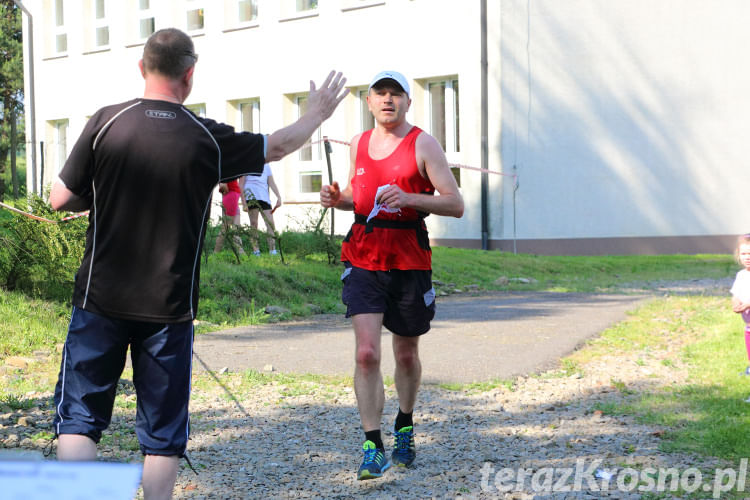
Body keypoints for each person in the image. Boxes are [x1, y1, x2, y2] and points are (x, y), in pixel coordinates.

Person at [48, 28, 347, 500]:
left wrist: (101, 193)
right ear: (190, 75)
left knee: (80, 422)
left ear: (142, 67)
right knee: (162, 436)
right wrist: (316, 113)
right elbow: (278, 146)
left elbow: (59, 198)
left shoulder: (106, 122)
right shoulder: (204, 136)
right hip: (168, 309)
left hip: (98, 300)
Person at [319, 70, 464, 480]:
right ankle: (372, 445)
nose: (387, 100)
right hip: (363, 257)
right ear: (369, 103)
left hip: (409, 260)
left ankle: (404, 422)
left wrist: (412, 198)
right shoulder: (359, 144)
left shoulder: (424, 144)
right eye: (380, 93)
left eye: (395, 94)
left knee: (405, 353)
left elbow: (455, 203)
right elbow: (358, 197)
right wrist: (338, 198)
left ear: (407, 102)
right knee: (366, 353)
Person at [241, 163, 281, 256]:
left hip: (264, 196)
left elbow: (271, 182)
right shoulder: (246, 163)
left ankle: (272, 250)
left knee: (270, 223)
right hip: (251, 194)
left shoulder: (266, 165)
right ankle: (256, 251)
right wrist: (243, 203)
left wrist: (278, 197)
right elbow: (241, 184)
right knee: (254, 224)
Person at [731, 234, 750, 391]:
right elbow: (735, 294)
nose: (747, 257)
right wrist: (736, 303)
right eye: (744, 254)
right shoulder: (741, 276)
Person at [214, 178, 245, 254]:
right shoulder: (227, 167)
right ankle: (215, 253)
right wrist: (226, 189)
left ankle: (241, 253)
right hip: (231, 197)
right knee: (225, 227)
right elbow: (222, 184)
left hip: (234, 198)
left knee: (236, 228)